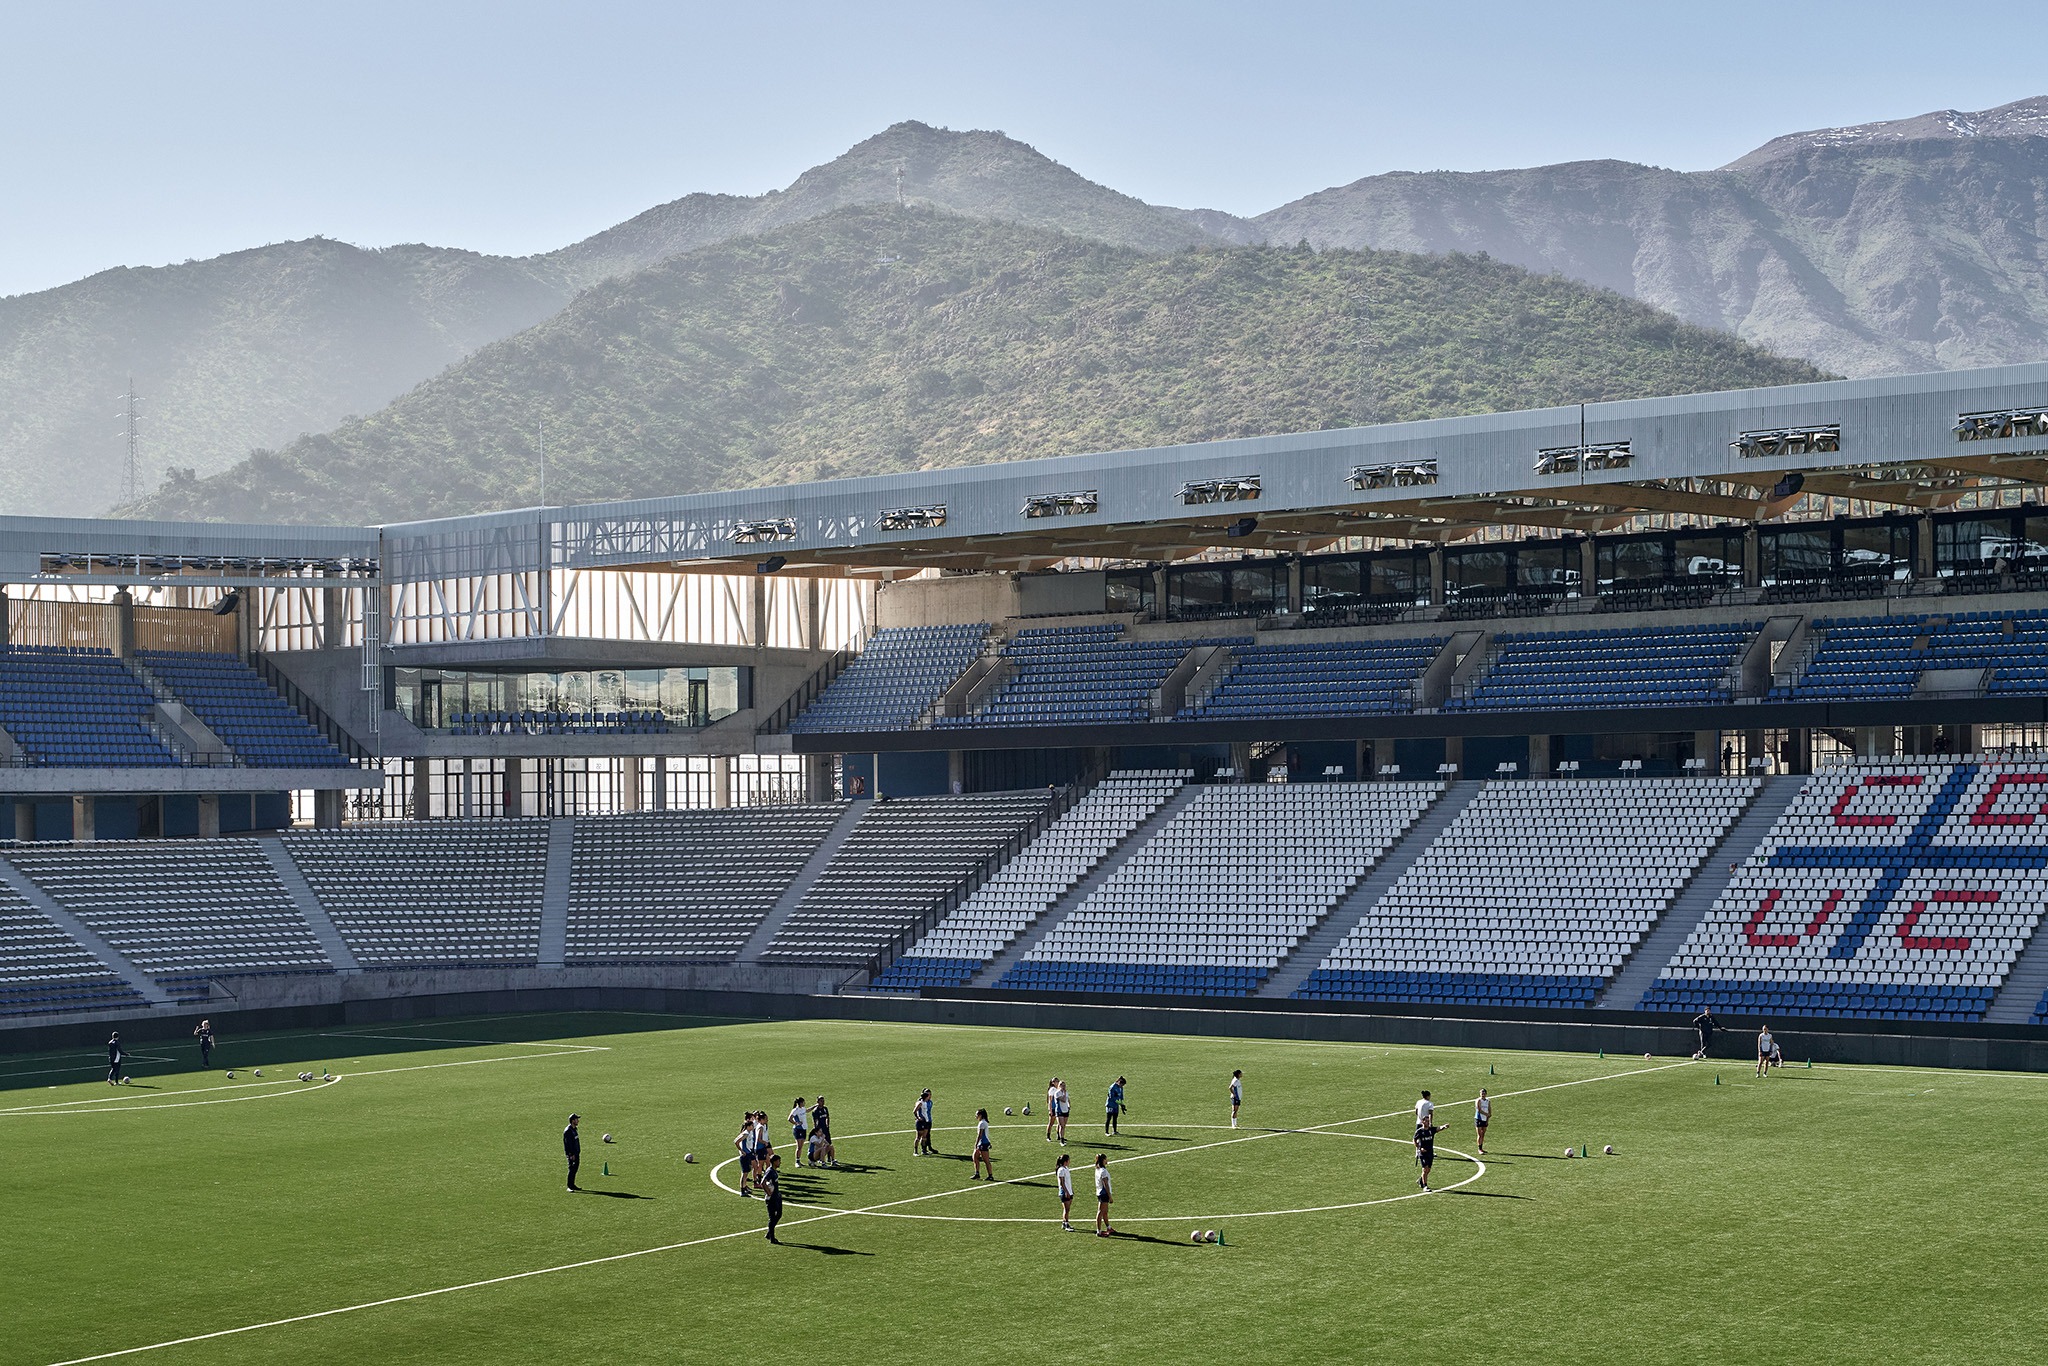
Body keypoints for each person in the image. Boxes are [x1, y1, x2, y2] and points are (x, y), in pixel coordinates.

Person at [1415, 1115, 1446, 1192]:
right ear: (1422, 1122)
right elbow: (1414, 1140)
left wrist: (1444, 1127)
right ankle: (1425, 1186)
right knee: (1425, 1169)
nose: (1428, 1122)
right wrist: (1419, 1148)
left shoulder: (1431, 1130)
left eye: (1428, 1121)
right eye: (1426, 1121)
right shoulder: (1419, 1131)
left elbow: (1437, 1129)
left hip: (1430, 1152)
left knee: (1428, 1169)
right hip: (1423, 1153)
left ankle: (1421, 1180)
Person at [761, 1153, 785, 1243]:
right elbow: (763, 1183)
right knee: (772, 1217)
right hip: (772, 1199)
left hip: (777, 1197)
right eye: (778, 1161)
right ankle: (772, 1238)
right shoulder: (770, 1171)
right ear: (774, 1162)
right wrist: (768, 1193)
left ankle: (769, 1233)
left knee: (778, 1215)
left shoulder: (773, 1171)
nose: (780, 1163)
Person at [811, 1096, 836, 1168]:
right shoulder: (815, 1111)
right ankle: (820, 1159)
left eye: (823, 1100)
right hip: (820, 1130)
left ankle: (830, 1158)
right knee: (821, 1144)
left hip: (825, 1129)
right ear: (818, 1102)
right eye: (821, 1101)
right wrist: (817, 1130)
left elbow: (827, 1117)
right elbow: (815, 1121)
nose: (823, 1102)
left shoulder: (825, 1109)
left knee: (829, 1142)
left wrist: (827, 1125)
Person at [1093, 1153, 1115, 1236]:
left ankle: (1108, 1227)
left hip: (1100, 1192)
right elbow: (1105, 1184)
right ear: (1103, 1160)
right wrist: (1110, 1196)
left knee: (1105, 1211)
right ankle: (1099, 1231)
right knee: (1100, 1212)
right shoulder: (1103, 1171)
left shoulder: (1098, 1169)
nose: (1107, 1160)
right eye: (1106, 1159)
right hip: (1104, 1193)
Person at [734, 1114, 756, 1196]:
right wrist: (741, 1151)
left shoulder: (749, 1132)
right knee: (744, 1173)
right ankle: (742, 1190)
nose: (753, 1127)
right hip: (745, 1155)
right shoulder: (745, 1133)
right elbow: (736, 1141)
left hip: (748, 1153)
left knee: (746, 1172)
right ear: (748, 1126)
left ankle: (744, 1187)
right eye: (752, 1125)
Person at [972, 1107, 996, 1181]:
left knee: (986, 1160)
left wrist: (976, 1143)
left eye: (977, 1115)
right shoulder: (983, 1122)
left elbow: (980, 1135)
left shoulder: (982, 1123)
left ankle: (990, 1175)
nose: (976, 1116)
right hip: (982, 1143)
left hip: (983, 1143)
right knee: (975, 1157)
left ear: (981, 1115)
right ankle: (977, 1173)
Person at [1055, 1153, 1075, 1231]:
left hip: (1069, 1191)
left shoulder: (1066, 1168)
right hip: (1064, 1192)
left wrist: (1071, 1190)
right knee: (1066, 1209)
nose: (1069, 1161)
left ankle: (1064, 1223)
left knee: (1067, 1209)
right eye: (1068, 1160)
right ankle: (1066, 1224)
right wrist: (1066, 1192)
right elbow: (1062, 1183)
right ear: (1065, 1161)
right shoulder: (1061, 1170)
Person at [912, 1088, 935, 1156]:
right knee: (918, 1137)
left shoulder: (930, 1102)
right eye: (928, 1095)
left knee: (924, 1137)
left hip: (928, 1121)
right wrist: (918, 1117)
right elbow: (914, 1111)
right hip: (921, 1122)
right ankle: (915, 1151)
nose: (930, 1096)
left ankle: (924, 1150)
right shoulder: (920, 1102)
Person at [563, 1113, 582, 1192]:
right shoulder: (568, 1131)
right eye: (576, 1119)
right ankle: (569, 1186)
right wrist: (571, 1154)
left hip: (576, 1153)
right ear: (572, 1121)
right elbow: (568, 1144)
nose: (578, 1121)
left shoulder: (574, 1129)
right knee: (571, 1169)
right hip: (572, 1155)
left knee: (575, 1169)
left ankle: (572, 1184)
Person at [789, 1097, 809, 1167]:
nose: (804, 1103)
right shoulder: (795, 1110)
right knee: (799, 1146)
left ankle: (799, 1160)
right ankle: (797, 1161)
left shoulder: (803, 1108)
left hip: (804, 1129)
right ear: (800, 1103)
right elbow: (789, 1118)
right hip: (798, 1129)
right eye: (803, 1102)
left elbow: (807, 1110)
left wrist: (815, 1106)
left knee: (801, 1146)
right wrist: (796, 1123)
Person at [1474, 1088, 1491, 1155]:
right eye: (1481, 1093)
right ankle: (1479, 1149)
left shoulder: (1488, 1101)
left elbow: (1489, 1109)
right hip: (1479, 1118)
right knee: (1479, 1134)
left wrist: (1488, 1117)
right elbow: (1479, 1110)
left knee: (1483, 1134)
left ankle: (1481, 1147)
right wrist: (1486, 1114)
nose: (1483, 1094)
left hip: (1485, 1119)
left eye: (1484, 1093)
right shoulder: (1478, 1100)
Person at [1055, 1079, 1070, 1144]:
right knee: (1062, 1125)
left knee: (1064, 1126)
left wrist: (1069, 1106)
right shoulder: (1057, 1093)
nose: (1063, 1087)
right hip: (1059, 1111)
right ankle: (1061, 1140)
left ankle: (1061, 1136)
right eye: (1062, 1085)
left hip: (1066, 1110)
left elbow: (1067, 1099)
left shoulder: (1066, 1092)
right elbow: (1063, 1100)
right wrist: (1064, 1093)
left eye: (1064, 1085)